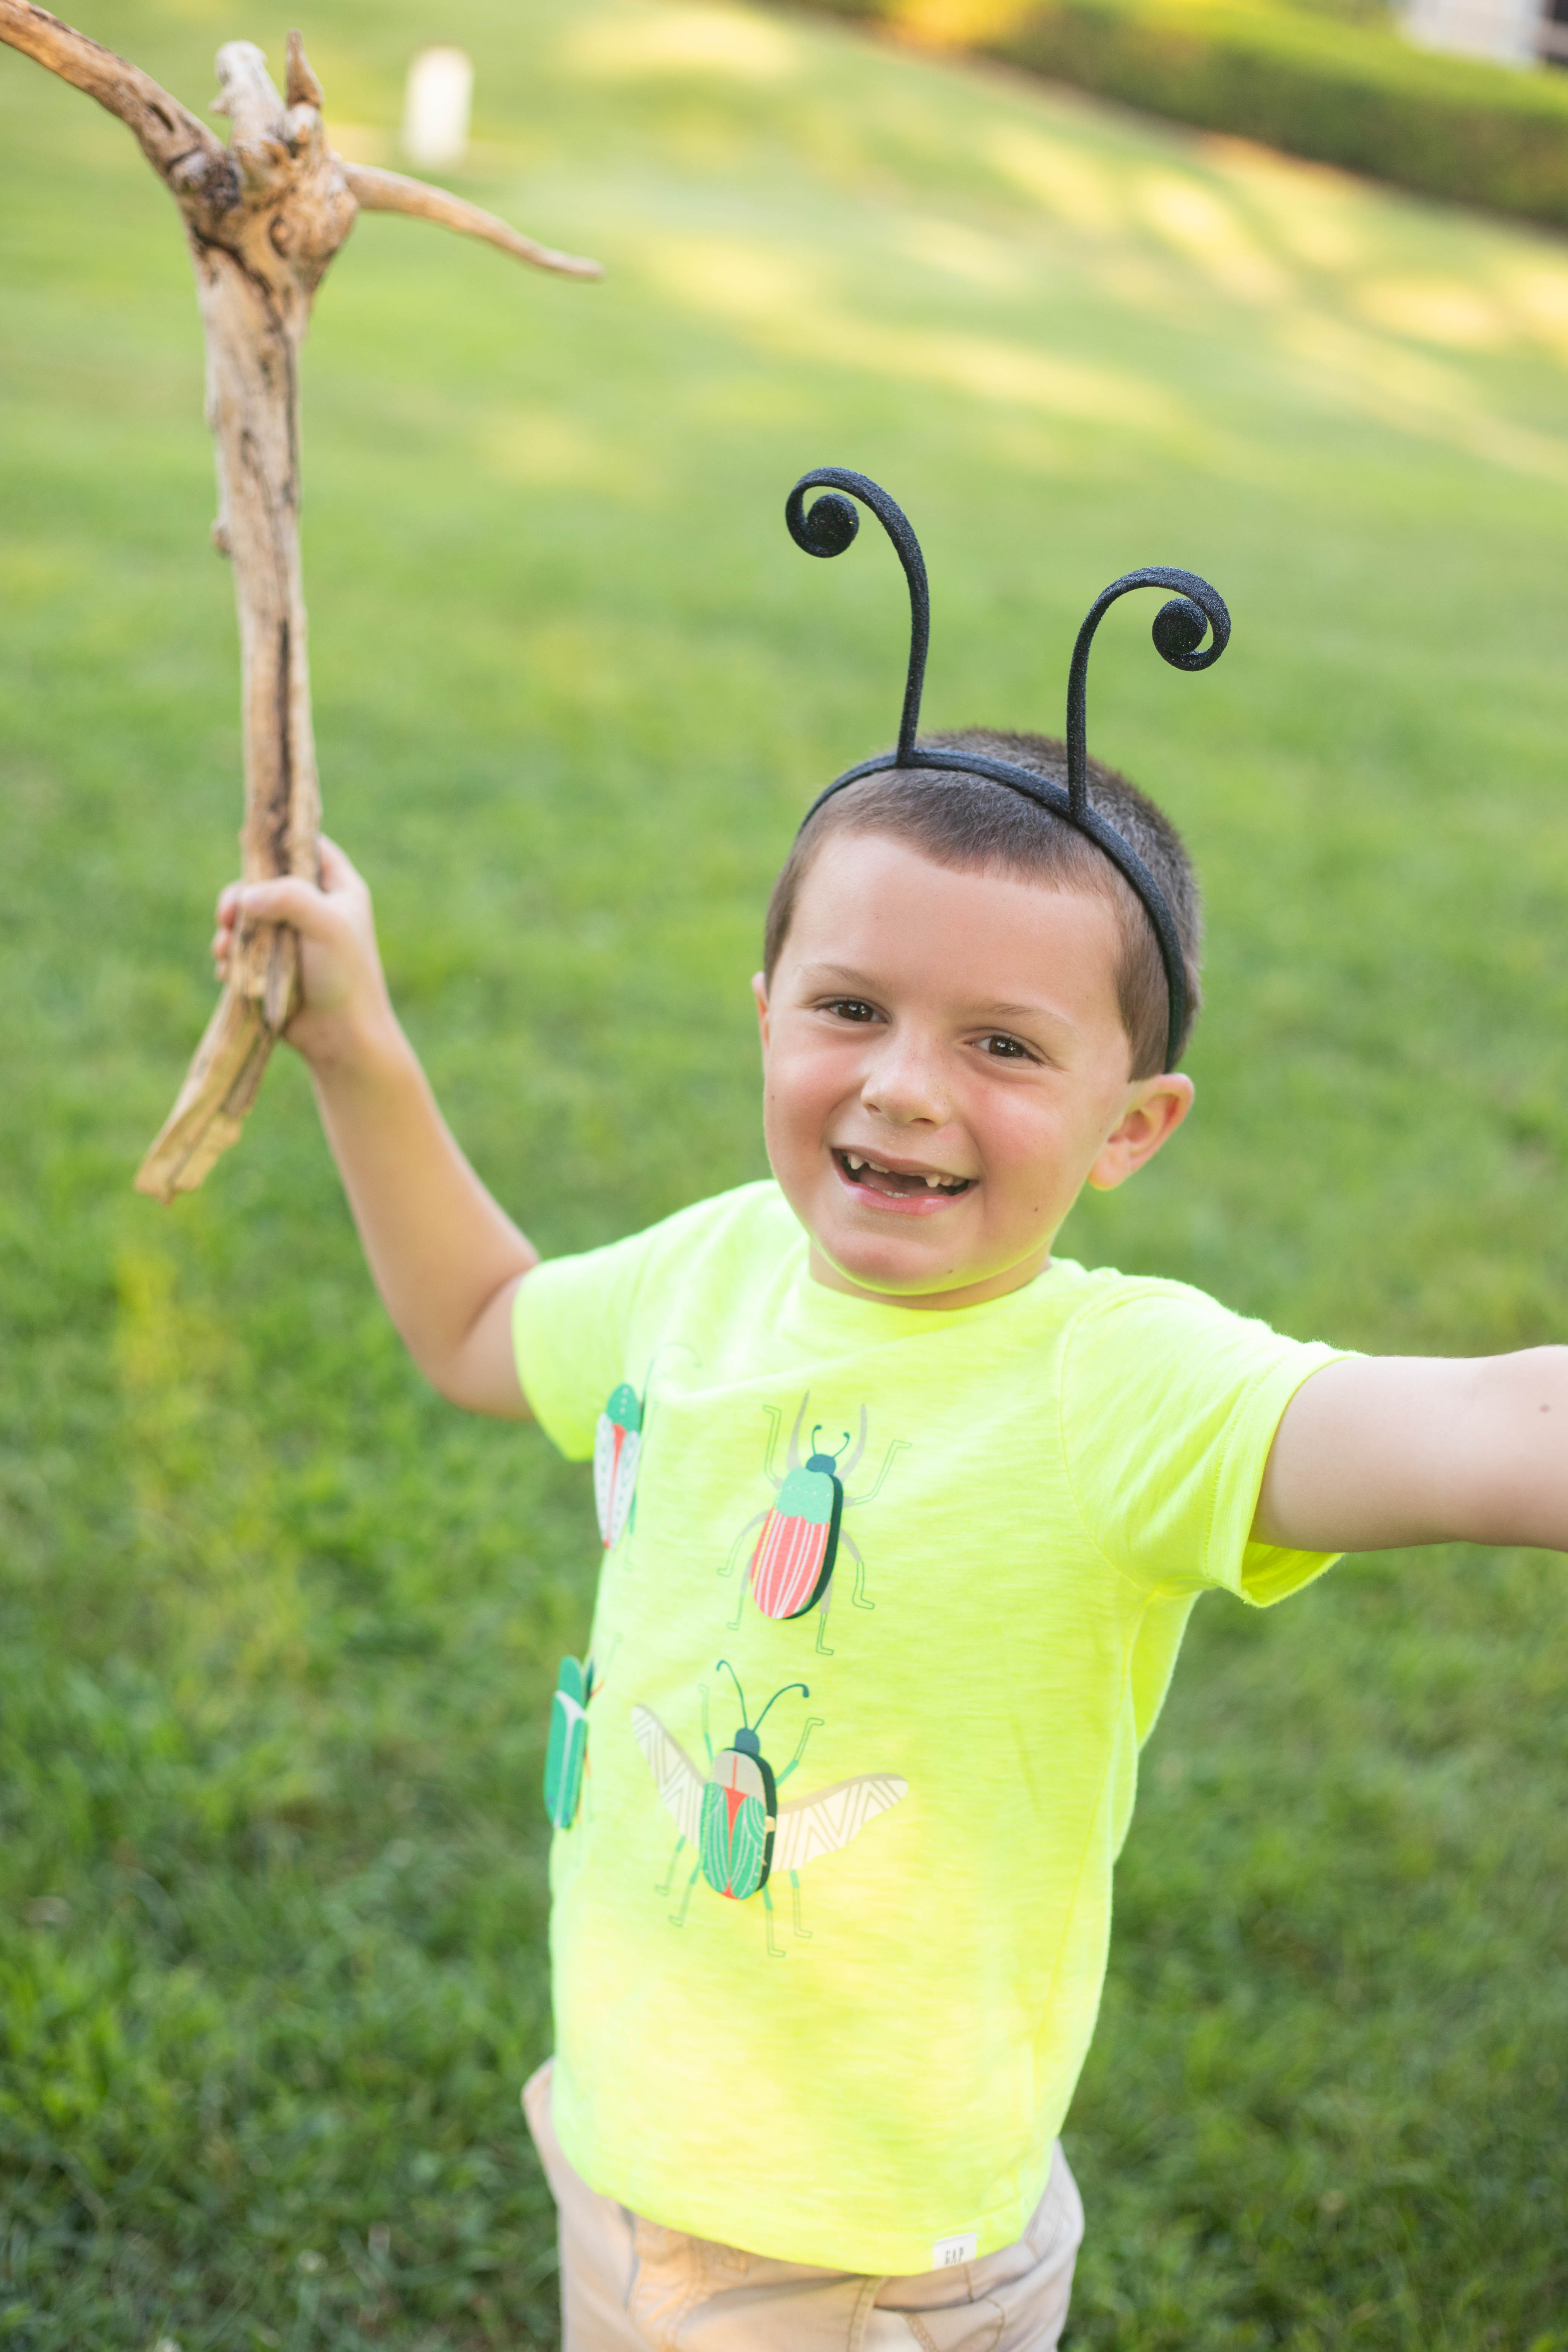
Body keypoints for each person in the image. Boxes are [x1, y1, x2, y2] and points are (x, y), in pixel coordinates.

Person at [215, 704, 1566, 2351]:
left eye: (1003, 1045)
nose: (904, 1086)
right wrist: (358, 1045)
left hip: (851, 2255)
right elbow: (483, 1321)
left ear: (1128, 1124)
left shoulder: (1112, 1381)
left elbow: (1496, 1432)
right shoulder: (708, 1273)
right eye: (850, 1008)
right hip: (636, 2140)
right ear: (765, 1019)